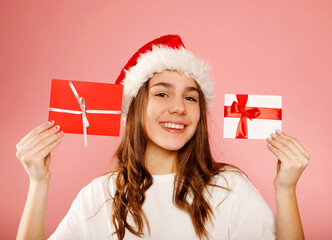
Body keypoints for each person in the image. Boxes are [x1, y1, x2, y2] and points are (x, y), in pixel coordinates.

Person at [16, 34, 310, 240]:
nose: (179, 107)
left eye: (191, 98)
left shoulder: (230, 188)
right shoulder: (98, 195)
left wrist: (285, 190)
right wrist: (38, 183)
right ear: (135, 106)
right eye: (162, 93)